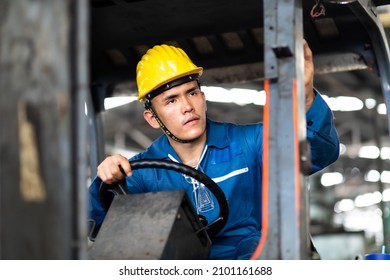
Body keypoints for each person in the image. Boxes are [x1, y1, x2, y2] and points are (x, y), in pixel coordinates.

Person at [88, 40, 340, 260]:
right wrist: (106, 181)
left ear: (203, 97)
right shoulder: (140, 173)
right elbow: (100, 228)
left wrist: (306, 97)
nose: (187, 106)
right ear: (153, 118)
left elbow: (320, 151)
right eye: (171, 100)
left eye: (192, 92)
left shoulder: (250, 143)